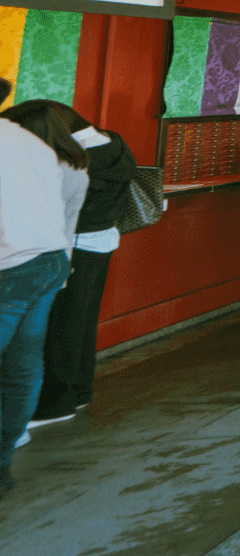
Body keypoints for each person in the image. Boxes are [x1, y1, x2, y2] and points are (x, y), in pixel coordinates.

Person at [0, 96, 88, 493]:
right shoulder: (31, 142)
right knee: (21, 368)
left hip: (10, 268)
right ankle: (1, 467)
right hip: (48, 261)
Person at [29, 103, 136, 428]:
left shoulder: (77, 162)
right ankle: (78, 391)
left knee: (62, 326)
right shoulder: (113, 143)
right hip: (102, 241)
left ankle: (55, 404)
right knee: (82, 322)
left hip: (73, 247)